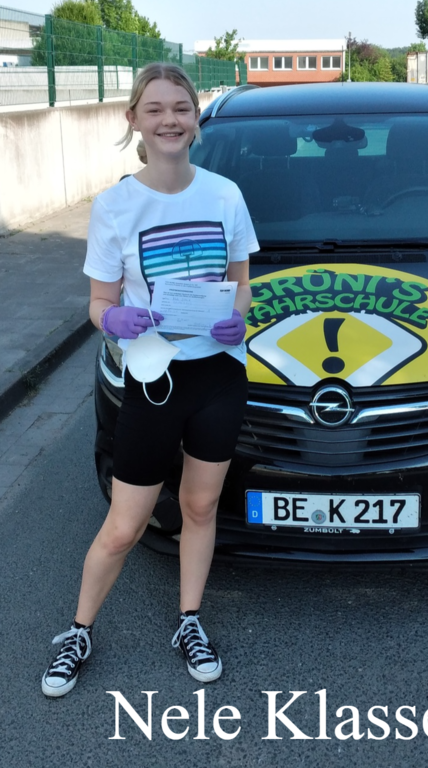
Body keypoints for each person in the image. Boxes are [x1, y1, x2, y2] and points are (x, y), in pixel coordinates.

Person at [41, 63, 259, 697]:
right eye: (156, 108)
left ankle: (189, 620)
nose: (170, 119)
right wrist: (113, 318)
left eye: (181, 108)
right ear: (133, 119)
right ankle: (78, 630)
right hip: (154, 377)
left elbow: (242, 285)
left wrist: (238, 319)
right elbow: (98, 303)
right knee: (125, 524)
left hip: (218, 375)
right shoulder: (114, 206)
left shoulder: (225, 195)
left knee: (199, 506)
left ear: (196, 118)